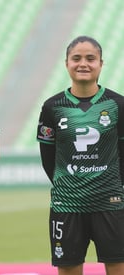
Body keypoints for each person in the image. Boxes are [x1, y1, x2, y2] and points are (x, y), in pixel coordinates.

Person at [37, 36, 124, 275]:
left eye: (90, 58)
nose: (83, 64)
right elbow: (48, 157)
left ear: (101, 64)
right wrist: (68, 185)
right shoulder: (51, 106)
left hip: (110, 203)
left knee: (117, 265)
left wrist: (116, 188)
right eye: (76, 58)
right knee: (68, 266)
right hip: (68, 205)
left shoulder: (118, 104)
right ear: (67, 63)